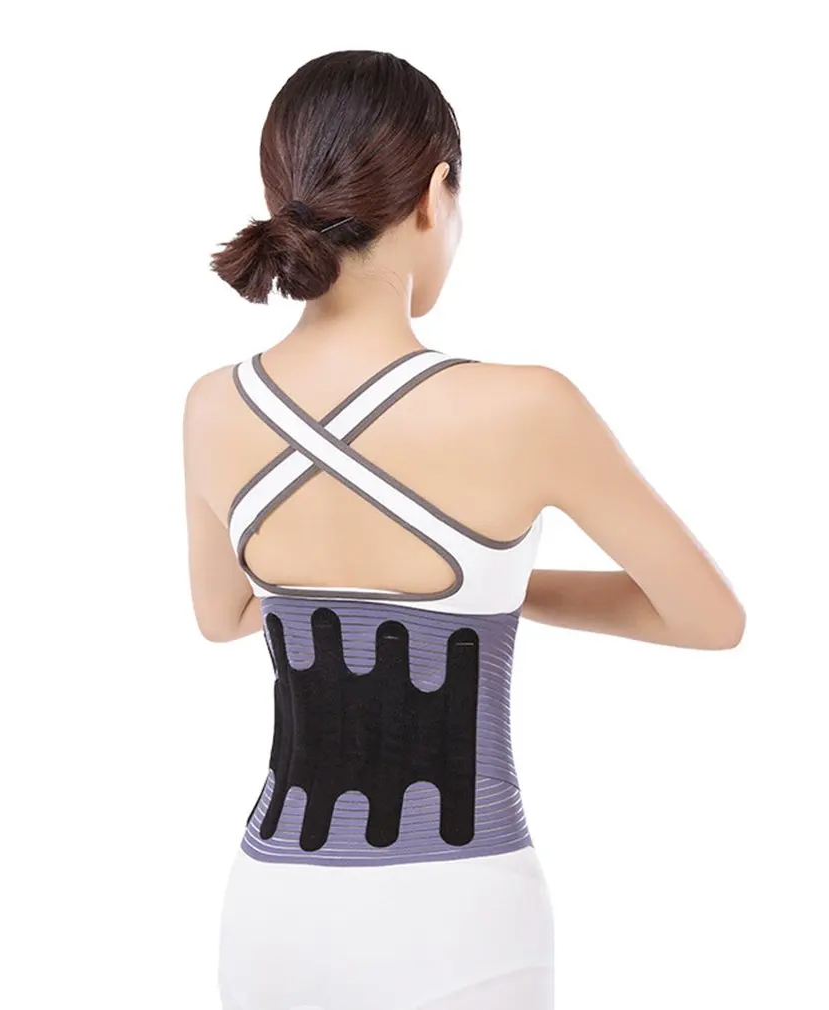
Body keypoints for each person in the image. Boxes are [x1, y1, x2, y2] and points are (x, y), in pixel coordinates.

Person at [183, 49, 745, 1010]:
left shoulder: (212, 407)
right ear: (434, 194)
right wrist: (500, 587)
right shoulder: (527, 407)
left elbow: (223, 614)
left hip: (273, 912)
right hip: (456, 914)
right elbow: (708, 618)